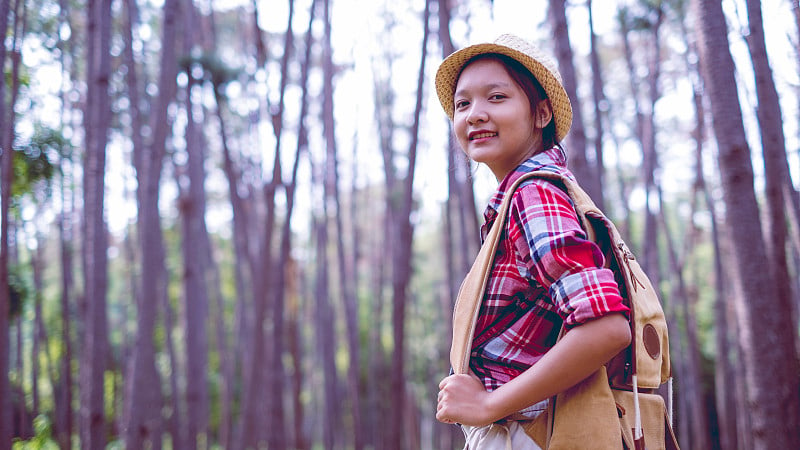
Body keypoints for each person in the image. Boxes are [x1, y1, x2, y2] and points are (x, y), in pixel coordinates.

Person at [434, 34, 631, 448]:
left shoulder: (533, 194)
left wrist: (489, 405)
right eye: (463, 104)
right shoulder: (532, 195)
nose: (475, 114)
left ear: (541, 113)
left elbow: (606, 327)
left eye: (497, 97)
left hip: (531, 431)